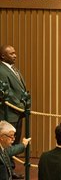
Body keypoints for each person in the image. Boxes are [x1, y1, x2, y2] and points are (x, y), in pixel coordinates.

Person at [0, 45, 28, 179]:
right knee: (8, 142)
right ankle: (8, 170)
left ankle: (11, 168)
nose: (15, 55)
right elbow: (8, 94)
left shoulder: (13, 69)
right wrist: (20, 106)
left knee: (15, 140)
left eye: (15, 53)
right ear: (3, 56)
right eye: (11, 54)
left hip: (18, 112)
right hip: (10, 113)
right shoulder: (1, 70)